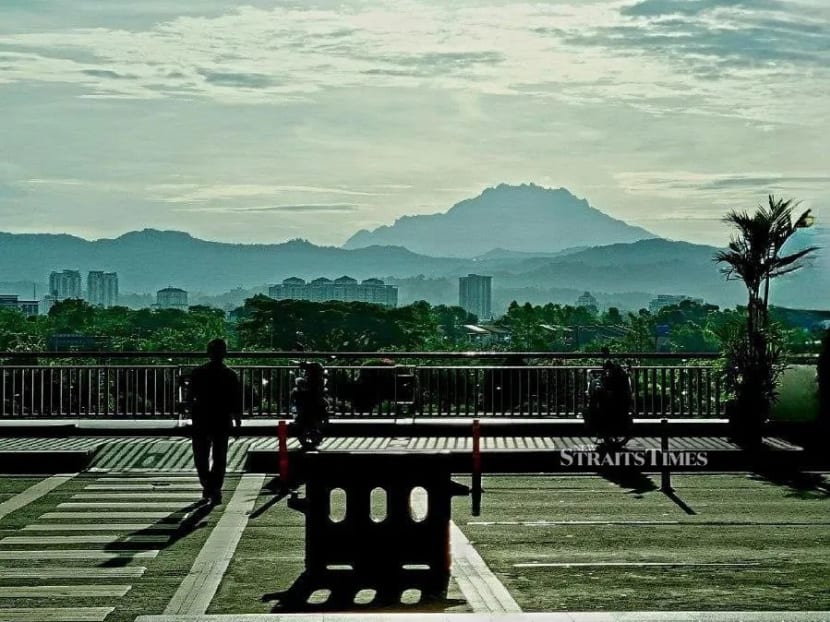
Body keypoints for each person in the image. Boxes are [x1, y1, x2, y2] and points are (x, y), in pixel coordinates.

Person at [188, 338, 242, 505]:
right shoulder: (231, 374)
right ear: (225, 353)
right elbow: (236, 400)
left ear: (208, 353)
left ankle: (207, 484)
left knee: (201, 456)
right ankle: (215, 487)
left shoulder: (198, 373)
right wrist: (237, 419)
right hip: (222, 418)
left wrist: (190, 412)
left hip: (202, 417)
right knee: (220, 456)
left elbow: (190, 397)